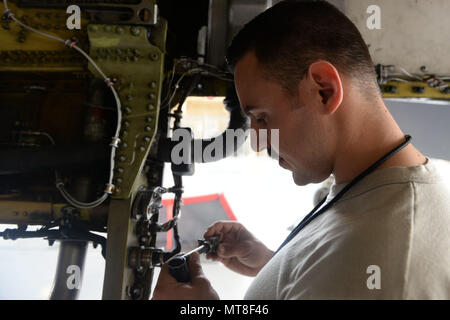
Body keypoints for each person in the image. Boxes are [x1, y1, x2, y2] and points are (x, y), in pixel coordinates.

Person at [152, 1, 450, 299]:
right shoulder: (372, 196)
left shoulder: (388, 258)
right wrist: (275, 264)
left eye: (263, 117)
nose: (259, 141)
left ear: (324, 90)